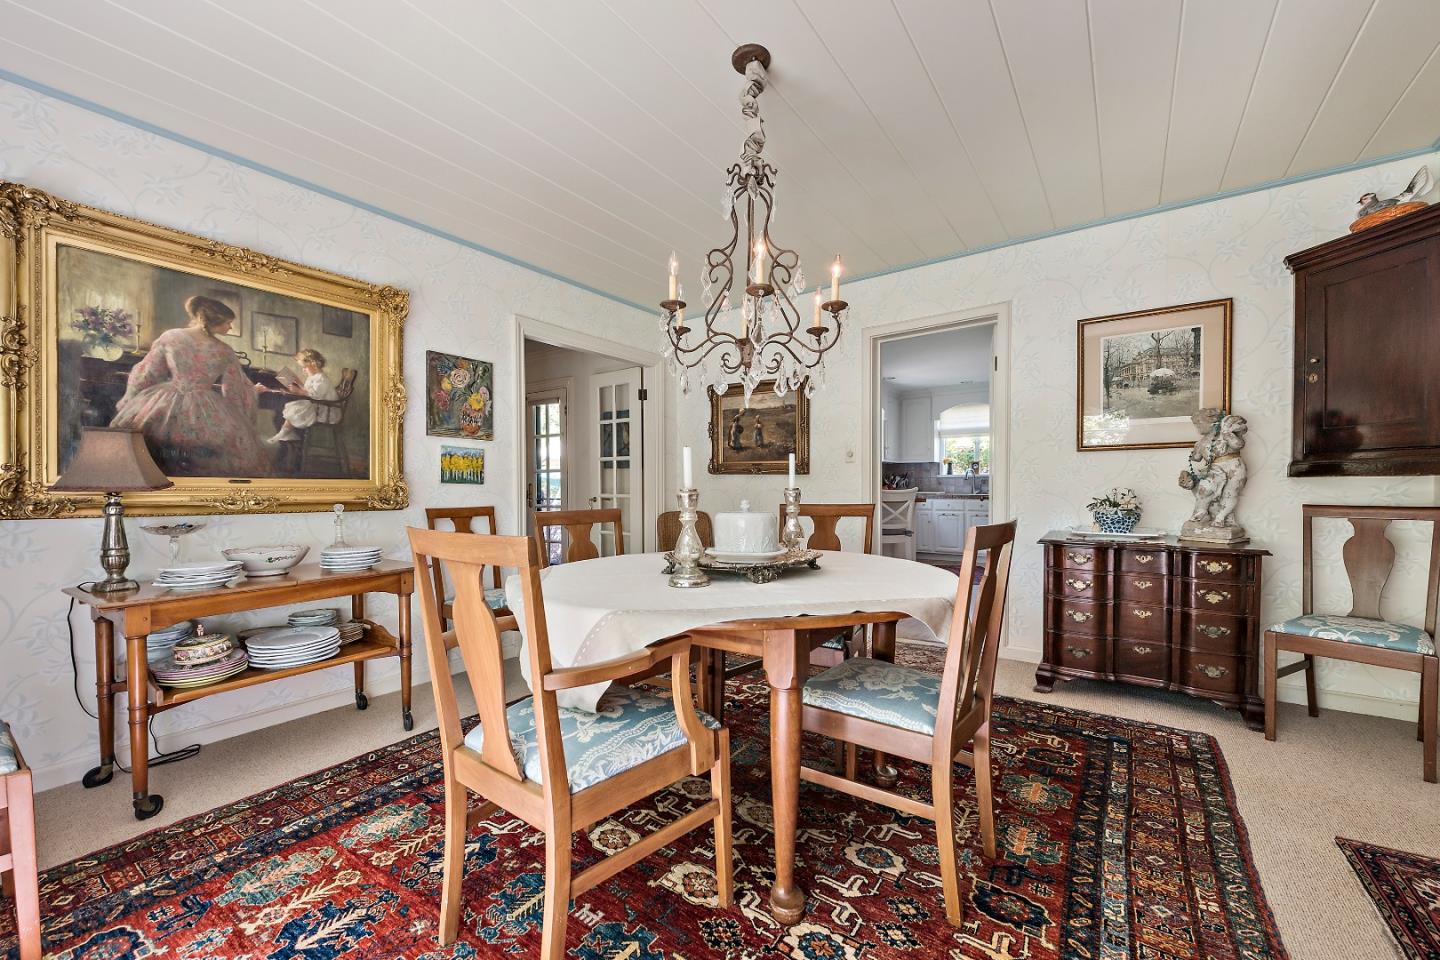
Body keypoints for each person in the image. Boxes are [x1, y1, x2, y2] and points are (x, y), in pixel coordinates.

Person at [110, 295, 269, 476]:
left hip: (165, 399)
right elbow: (234, 390)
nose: (230, 327)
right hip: (205, 405)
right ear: (211, 321)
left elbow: (148, 373)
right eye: (227, 323)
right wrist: (251, 393)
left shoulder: (171, 337)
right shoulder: (225, 351)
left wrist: (130, 398)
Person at [267, 348, 340, 443]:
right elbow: (308, 390)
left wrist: (298, 391)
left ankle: (284, 433)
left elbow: (315, 396)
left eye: (305, 367)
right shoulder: (313, 377)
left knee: (295, 410)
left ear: (314, 364)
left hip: (325, 410)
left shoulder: (321, 378)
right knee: (293, 407)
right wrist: (298, 382)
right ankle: (286, 433)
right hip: (318, 406)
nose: (303, 370)